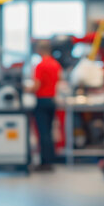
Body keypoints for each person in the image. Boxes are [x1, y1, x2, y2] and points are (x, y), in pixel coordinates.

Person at [30, 40, 62, 171]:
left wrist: (27, 89)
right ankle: (50, 160)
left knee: (43, 133)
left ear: (40, 50)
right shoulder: (56, 64)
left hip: (42, 100)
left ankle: (45, 163)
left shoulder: (40, 65)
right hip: (52, 100)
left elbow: (37, 85)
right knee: (49, 131)